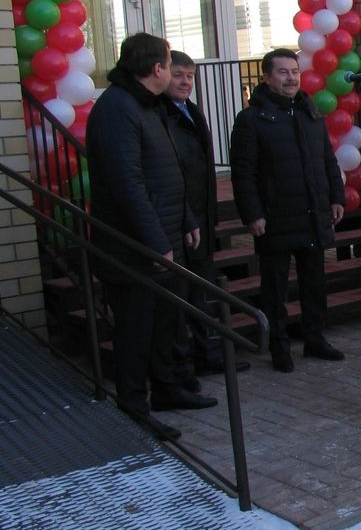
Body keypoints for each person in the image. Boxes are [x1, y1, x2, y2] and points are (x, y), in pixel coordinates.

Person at [86, 32, 216, 442]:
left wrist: (188, 218)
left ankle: (168, 390)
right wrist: (157, 241)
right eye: (168, 64)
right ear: (157, 69)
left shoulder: (150, 106)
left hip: (167, 236)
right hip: (136, 250)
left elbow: (172, 170)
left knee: (167, 325)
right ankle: (134, 408)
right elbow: (127, 183)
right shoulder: (116, 109)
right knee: (135, 333)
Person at [230, 48, 346, 373]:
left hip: (311, 213)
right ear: (266, 78)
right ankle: (279, 346)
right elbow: (244, 173)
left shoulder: (310, 113)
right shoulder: (252, 120)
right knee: (275, 288)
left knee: (314, 283)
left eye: (294, 71)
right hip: (275, 217)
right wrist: (253, 213)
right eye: (283, 72)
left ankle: (315, 339)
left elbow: (327, 160)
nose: (291, 78)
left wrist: (336, 197)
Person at [162, 51, 249, 378]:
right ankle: (182, 365)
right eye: (178, 75)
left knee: (203, 292)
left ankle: (207, 353)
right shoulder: (162, 114)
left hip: (201, 217)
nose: (185, 82)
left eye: (190, 76)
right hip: (180, 221)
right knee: (181, 298)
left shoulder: (191, 111)